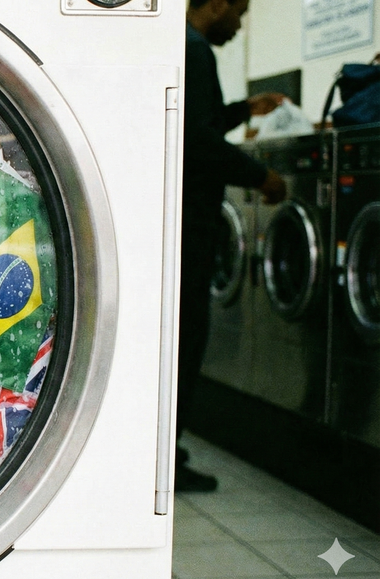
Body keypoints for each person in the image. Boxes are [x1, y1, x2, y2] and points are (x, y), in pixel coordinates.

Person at [178, 0, 287, 492]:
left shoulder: (184, 44)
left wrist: (247, 109)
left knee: (178, 336)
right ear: (217, 5)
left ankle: (166, 452)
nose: (239, 25)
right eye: (239, 14)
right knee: (186, 335)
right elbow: (199, 142)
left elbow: (194, 123)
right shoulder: (196, 49)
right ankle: (168, 461)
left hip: (181, 217)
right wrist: (259, 175)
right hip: (193, 220)